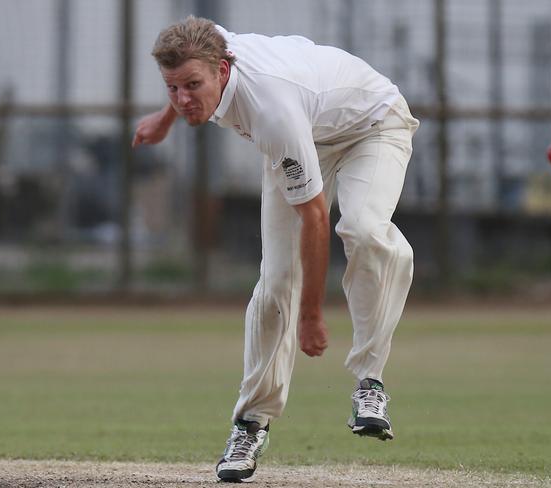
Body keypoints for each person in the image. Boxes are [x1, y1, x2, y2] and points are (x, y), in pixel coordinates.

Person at [133, 16, 419, 483]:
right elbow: (187, 69)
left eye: (193, 86)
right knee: (276, 284)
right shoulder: (208, 44)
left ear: (224, 70)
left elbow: (314, 217)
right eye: (172, 88)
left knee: (365, 230)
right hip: (308, 132)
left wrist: (310, 316)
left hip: (372, 124)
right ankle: (250, 424)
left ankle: (370, 381)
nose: (184, 97)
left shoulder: (270, 111)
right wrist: (166, 120)